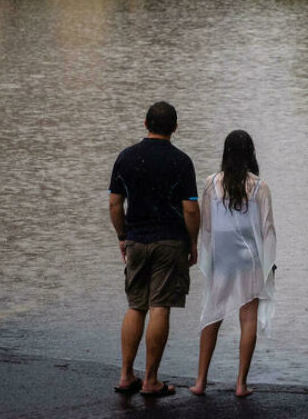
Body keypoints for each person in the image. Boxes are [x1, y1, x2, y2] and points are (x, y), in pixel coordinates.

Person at [108, 101, 199, 398]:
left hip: (136, 239)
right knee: (160, 306)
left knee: (136, 305)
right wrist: (192, 242)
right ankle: (150, 381)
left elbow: (114, 204)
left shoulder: (126, 157)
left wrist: (123, 235)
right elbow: (190, 209)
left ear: (145, 124)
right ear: (174, 127)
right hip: (170, 241)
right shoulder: (181, 161)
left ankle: (125, 376)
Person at [189, 130, 276, 399]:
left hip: (223, 257)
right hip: (249, 258)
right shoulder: (259, 186)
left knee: (211, 313)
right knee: (247, 316)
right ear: (251, 153)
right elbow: (267, 229)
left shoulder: (210, 183)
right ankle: (240, 384)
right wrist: (270, 262)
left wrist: (206, 255)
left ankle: (201, 382)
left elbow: (207, 226)